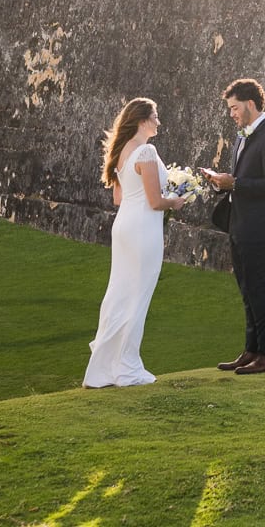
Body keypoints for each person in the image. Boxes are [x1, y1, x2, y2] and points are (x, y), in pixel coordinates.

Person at [84, 97, 187, 388]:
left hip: (124, 226)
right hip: (143, 227)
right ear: (142, 120)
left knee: (119, 292)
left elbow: (119, 198)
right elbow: (155, 201)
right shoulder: (146, 151)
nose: (158, 122)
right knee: (138, 295)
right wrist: (177, 201)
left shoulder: (120, 152)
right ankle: (127, 367)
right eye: (155, 116)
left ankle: (106, 366)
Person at [201, 77, 265, 375]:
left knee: (260, 288)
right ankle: (251, 350)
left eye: (234, 107)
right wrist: (220, 182)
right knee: (246, 290)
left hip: (259, 227)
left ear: (251, 104)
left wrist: (235, 182)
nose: (231, 113)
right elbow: (241, 183)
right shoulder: (243, 137)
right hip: (239, 225)